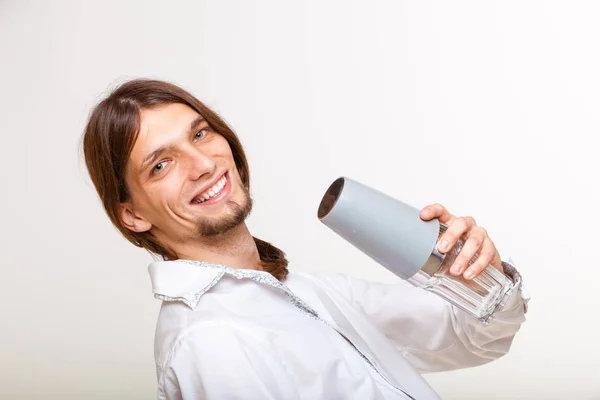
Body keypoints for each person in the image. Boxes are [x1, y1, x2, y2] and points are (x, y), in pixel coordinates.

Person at [82, 79, 529, 400]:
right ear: (133, 214)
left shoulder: (303, 290)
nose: (201, 163)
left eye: (200, 133)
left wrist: (472, 274)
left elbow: (469, 339)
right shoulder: (211, 342)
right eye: (161, 164)